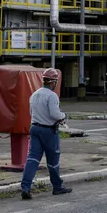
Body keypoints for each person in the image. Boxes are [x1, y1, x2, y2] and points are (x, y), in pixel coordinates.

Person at [20, 68, 72, 200]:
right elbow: (55, 114)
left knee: (32, 159)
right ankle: (57, 187)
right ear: (53, 82)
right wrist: (63, 116)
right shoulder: (52, 96)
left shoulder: (35, 94)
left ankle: (25, 187)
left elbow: (32, 113)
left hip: (35, 129)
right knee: (53, 160)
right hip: (48, 131)